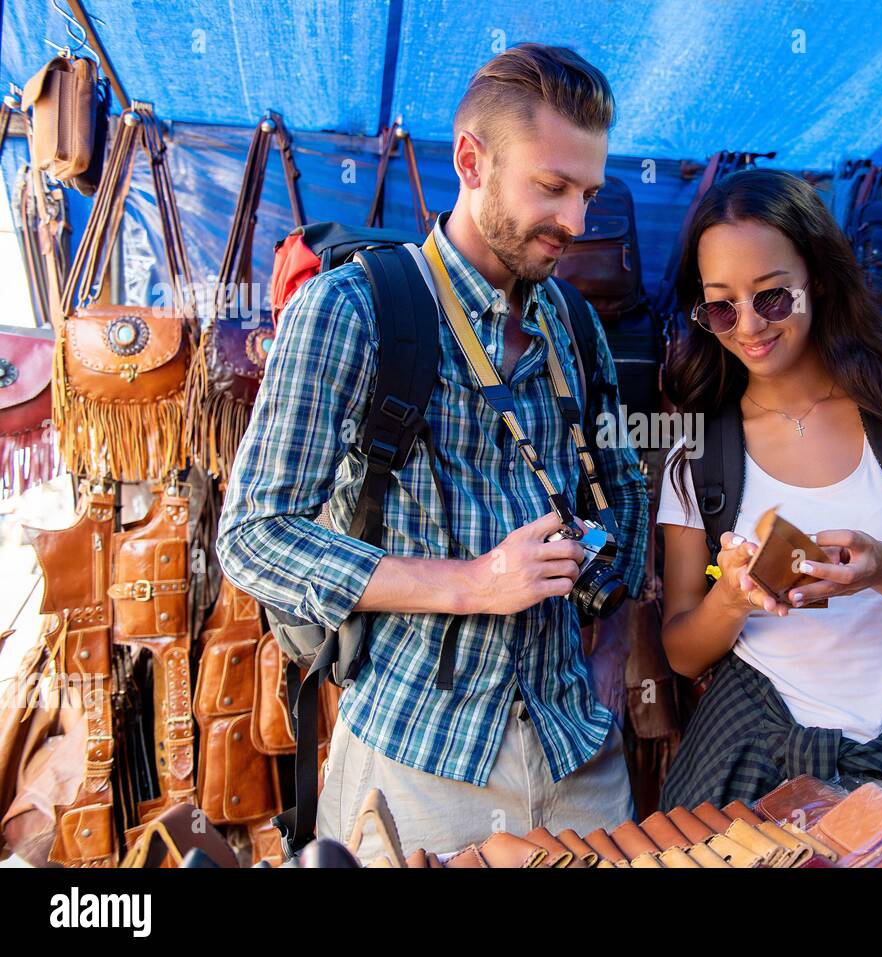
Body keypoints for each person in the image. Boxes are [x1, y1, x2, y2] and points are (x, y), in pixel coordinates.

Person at [217, 44, 649, 858]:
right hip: (420, 762)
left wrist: (615, 647)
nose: (578, 222)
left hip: (581, 757)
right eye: (551, 187)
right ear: (469, 161)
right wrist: (475, 584)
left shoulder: (575, 324)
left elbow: (624, 489)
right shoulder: (353, 308)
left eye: (588, 193)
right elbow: (252, 536)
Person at [655, 168, 882, 810]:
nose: (748, 327)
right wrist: (733, 598)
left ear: (817, 279)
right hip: (748, 770)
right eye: (720, 306)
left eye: (770, 297)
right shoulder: (696, 449)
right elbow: (682, 651)